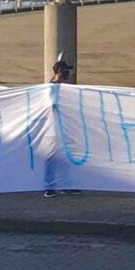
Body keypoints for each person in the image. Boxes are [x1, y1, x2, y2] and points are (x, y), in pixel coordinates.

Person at [44, 60, 81, 198]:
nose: (68, 73)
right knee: (51, 158)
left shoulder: (59, 87)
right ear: (59, 71)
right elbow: (50, 105)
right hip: (52, 129)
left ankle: (66, 185)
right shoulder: (51, 87)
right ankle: (49, 187)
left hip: (63, 128)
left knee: (65, 158)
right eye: (66, 70)